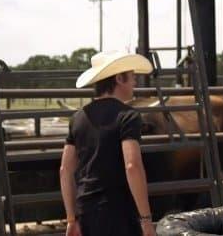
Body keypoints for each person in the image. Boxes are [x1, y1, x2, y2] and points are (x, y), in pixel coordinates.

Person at [60, 51, 156, 236]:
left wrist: (71, 219)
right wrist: (146, 219)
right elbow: (132, 165)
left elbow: (65, 169)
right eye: (132, 77)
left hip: (85, 210)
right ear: (119, 78)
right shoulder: (128, 116)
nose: (135, 83)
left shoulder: (78, 117)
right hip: (118, 212)